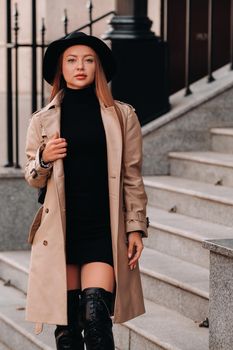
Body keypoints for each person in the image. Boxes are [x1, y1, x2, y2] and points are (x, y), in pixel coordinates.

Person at [24, 31, 149, 350]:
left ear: (98, 68)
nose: (80, 66)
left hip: (102, 230)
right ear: (60, 69)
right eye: (71, 60)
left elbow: (132, 177)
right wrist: (44, 158)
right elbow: (33, 177)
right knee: (66, 329)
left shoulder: (122, 116)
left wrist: (135, 227)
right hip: (62, 232)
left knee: (95, 315)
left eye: (88, 60)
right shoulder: (43, 119)